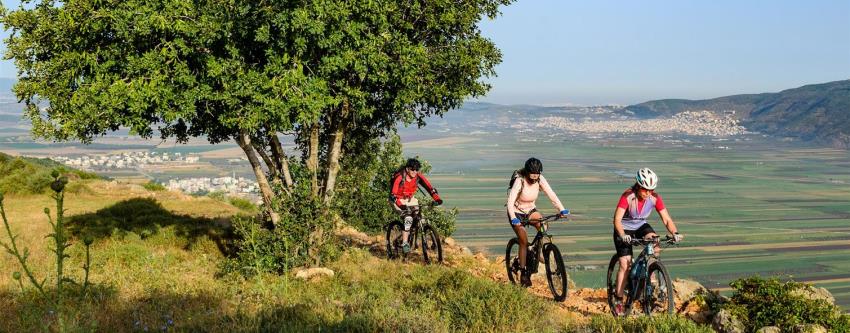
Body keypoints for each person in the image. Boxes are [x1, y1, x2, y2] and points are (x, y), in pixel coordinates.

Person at [611, 167, 683, 315]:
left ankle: (651, 269)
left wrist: (675, 232)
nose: (648, 193)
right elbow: (617, 220)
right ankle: (618, 299)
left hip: (641, 226)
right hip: (623, 228)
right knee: (625, 264)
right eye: (645, 189)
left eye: (651, 190)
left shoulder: (655, 198)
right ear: (638, 186)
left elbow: (666, 219)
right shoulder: (627, 196)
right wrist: (623, 234)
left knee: (655, 242)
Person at [506, 157, 570, 287]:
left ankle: (536, 250)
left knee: (543, 226)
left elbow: (551, 194)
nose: (535, 177)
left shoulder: (540, 179)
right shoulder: (520, 181)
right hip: (516, 212)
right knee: (523, 240)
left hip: (530, 211)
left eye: (537, 174)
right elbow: (510, 202)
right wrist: (513, 218)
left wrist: (561, 209)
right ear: (527, 172)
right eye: (532, 174)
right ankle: (523, 272)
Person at [389, 158, 443, 254]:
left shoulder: (418, 177)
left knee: (421, 219)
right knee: (408, 218)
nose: (415, 171)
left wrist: (437, 199)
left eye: (416, 169)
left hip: (410, 199)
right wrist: (401, 206)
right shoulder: (400, 177)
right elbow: (393, 195)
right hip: (397, 200)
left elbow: (430, 188)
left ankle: (432, 242)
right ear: (407, 169)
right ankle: (405, 243)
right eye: (412, 169)